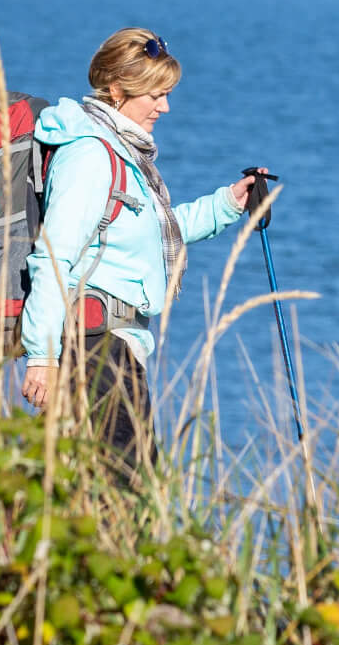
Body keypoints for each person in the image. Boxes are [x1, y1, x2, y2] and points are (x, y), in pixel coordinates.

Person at [18, 27, 260, 474]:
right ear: (117, 90)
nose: (165, 107)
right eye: (156, 94)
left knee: (114, 486)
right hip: (93, 348)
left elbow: (154, 230)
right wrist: (41, 357)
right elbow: (53, 258)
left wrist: (227, 203)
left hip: (114, 346)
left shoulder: (122, 153)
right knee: (127, 489)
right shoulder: (90, 156)